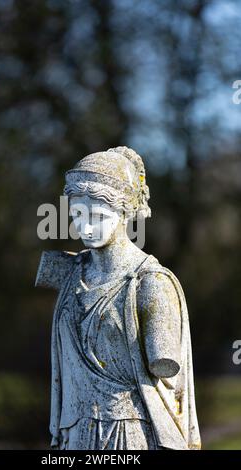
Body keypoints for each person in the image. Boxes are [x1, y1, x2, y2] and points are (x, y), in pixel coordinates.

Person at [36, 146, 201, 450]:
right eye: (76, 215)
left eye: (97, 216)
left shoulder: (151, 284)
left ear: (125, 211)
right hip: (74, 430)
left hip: (128, 433)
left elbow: (164, 365)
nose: (84, 227)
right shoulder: (69, 272)